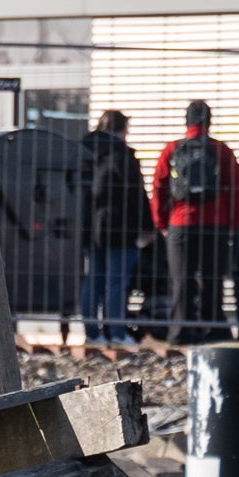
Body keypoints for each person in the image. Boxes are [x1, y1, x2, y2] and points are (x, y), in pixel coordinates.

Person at [154, 98, 239, 337]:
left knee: (181, 280)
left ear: (187, 121)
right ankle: (215, 331)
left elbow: (159, 187)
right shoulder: (221, 150)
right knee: (213, 280)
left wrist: (162, 222)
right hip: (215, 224)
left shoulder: (171, 149)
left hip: (181, 223)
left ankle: (180, 332)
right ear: (209, 122)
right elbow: (236, 189)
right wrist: (232, 223)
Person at [81, 109, 149, 337]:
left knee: (94, 279)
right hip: (120, 226)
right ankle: (116, 332)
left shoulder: (85, 151)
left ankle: (92, 332)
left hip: (91, 226)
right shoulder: (121, 154)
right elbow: (136, 193)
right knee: (116, 282)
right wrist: (147, 225)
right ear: (121, 130)